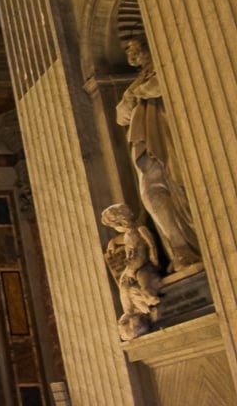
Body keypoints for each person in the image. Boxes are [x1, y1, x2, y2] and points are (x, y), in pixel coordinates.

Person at [115, 35, 200, 271]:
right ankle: (179, 250)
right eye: (128, 49)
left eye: (134, 47)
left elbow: (163, 84)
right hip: (145, 142)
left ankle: (194, 245)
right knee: (151, 194)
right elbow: (120, 113)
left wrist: (137, 93)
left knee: (179, 185)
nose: (130, 53)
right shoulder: (139, 80)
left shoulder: (163, 66)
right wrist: (136, 94)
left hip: (166, 136)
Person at [101, 203, 162, 340]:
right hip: (134, 268)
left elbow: (144, 252)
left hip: (143, 266)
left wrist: (132, 269)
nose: (116, 229)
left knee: (139, 281)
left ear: (122, 222)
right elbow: (126, 239)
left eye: (115, 226)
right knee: (125, 286)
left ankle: (148, 296)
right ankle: (129, 312)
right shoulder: (129, 234)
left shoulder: (138, 232)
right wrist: (114, 242)